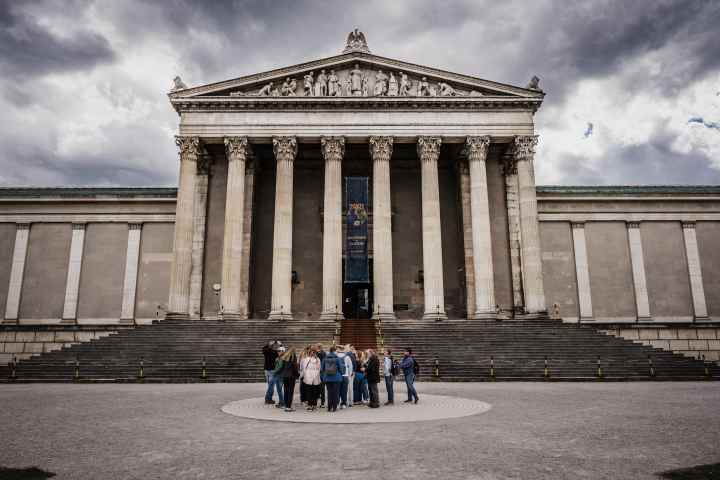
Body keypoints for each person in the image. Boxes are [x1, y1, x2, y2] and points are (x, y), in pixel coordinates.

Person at [275, 347, 299, 412]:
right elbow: (295, 368)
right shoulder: (293, 358)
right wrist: (297, 375)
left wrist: (277, 372)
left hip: (285, 376)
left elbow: (282, 367)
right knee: (290, 392)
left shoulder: (284, 358)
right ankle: (288, 407)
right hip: (291, 377)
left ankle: (286, 405)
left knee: (286, 391)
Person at [321, 346, 343, 412]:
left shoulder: (325, 358)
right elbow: (341, 368)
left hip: (327, 378)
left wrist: (324, 376)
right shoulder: (337, 358)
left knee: (329, 392)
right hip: (336, 378)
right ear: (334, 351)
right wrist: (340, 374)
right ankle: (334, 407)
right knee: (336, 392)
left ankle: (329, 407)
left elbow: (322, 369)